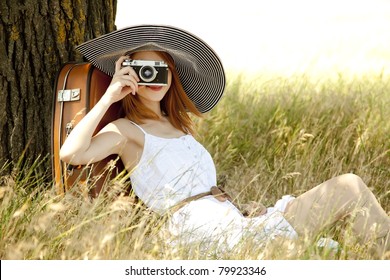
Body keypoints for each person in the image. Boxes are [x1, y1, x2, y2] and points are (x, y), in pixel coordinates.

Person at [60, 25, 389, 258]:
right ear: (129, 72)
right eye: (143, 69)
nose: (152, 77)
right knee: (305, 253)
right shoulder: (128, 131)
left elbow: (200, 187)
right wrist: (110, 95)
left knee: (349, 186)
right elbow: (71, 153)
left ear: (173, 73)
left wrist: (240, 210)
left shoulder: (180, 127)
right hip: (198, 233)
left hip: (233, 222)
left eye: (161, 68)